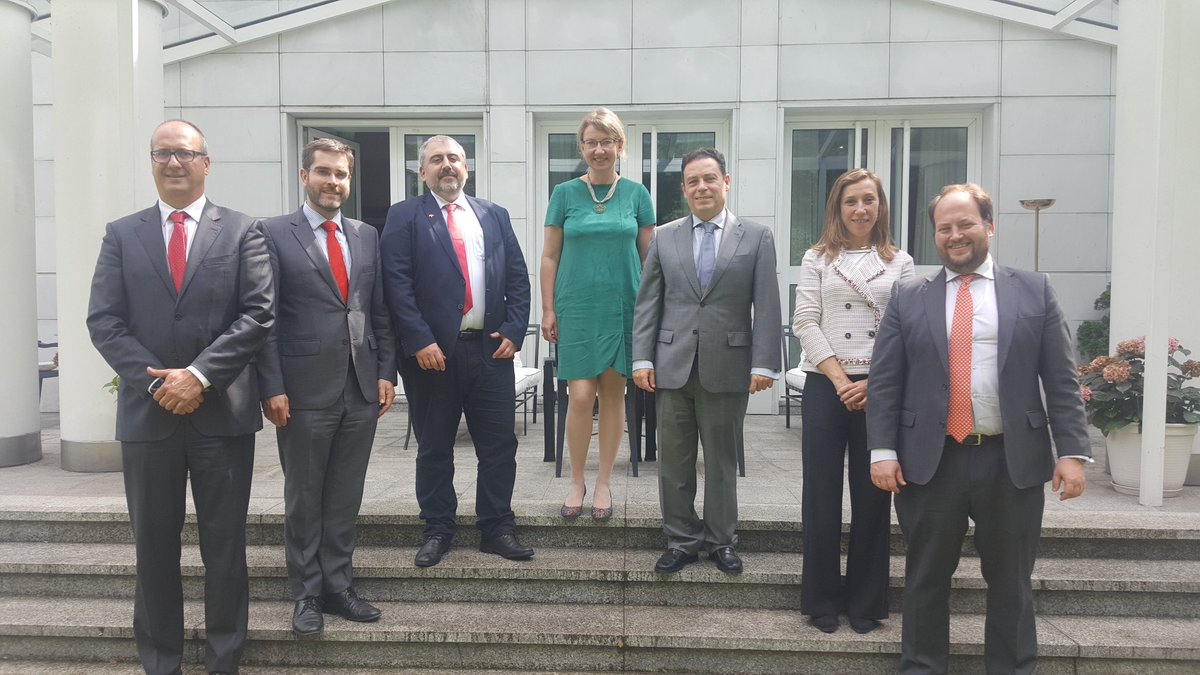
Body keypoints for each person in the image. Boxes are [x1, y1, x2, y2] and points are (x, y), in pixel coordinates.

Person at [867, 183, 1090, 674]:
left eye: (965, 223)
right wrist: (881, 449)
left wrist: (1072, 452)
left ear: (989, 226)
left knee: (1011, 582)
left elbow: (1060, 378)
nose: (955, 235)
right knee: (925, 579)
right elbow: (885, 381)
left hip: (1010, 461)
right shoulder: (908, 296)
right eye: (944, 228)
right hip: (931, 461)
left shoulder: (1033, 290)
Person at [87, 119, 274, 675]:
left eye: (185, 153)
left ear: (206, 163)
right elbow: (104, 321)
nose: (174, 162)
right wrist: (157, 383)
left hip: (222, 417)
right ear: (151, 162)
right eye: (163, 153)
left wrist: (198, 375)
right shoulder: (122, 234)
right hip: (149, 418)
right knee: (153, 548)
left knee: (225, 547)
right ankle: (160, 662)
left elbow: (258, 314)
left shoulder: (242, 231)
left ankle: (224, 660)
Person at [257, 138, 396, 636]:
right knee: (304, 495)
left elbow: (378, 310)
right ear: (304, 176)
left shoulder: (366, 234)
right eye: (323, 172)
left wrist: (386, 371)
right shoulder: (273, 233)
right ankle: (307, 594)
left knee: (344, 494)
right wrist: (271, 385)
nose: (332, 182)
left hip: (359, 387)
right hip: (302, 390)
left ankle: (339, 586)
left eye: (341, 174)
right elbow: (265, 318)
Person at [380, 135, 533, 568]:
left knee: (499, 446)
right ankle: (437, 529)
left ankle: (497, 528)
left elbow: (517, 277)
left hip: (490, 352)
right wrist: (419, 339)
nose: (446, 165)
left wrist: (514, 330)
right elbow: (395, 283)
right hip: (432, 358)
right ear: (422, 171)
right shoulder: (404, 216)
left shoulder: (493, 214)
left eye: (454, 158)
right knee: (434, 448)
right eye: (436, 159)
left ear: (466, 167)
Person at [632, 148, 781, 575]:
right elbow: (648, 303)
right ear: (683, 189)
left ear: (725, 182)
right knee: (673, 462)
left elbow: (767, 304)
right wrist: (641, 358)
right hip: (671, 365)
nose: (702, 187)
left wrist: (764, 364)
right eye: (693, 181)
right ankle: (681, 540)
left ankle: (720, 541)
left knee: (721, 461)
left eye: (710, 179)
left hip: (728, 365)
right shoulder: (664, 237)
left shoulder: (756, 237)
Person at [793, 168, 914, 634]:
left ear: (880, 206)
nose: (860, 209)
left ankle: (867, 601)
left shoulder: (901, 262)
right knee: (820, 496)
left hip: (880, 387)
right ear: (837, 208)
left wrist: (874, 381)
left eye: (869, 200)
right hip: (827, 383)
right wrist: (842, 379)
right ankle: (820, 598)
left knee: (873, 496)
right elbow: (805, 320)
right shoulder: (817, 258)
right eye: (851, 201)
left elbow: (905, 329)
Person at [541, 108, 655, 521]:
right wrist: (548, 308)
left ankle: (604, 482)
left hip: (623, 306)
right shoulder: (563, 194)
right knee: (579, 396)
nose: (599, 149)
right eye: (591, 142)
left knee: (613, 395)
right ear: (582, 147)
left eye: (607, 141)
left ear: (619, 146)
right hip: (576, 308)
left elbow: (650, 259)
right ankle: (577, 480)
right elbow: (549, 256)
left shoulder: (638, 195)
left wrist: (652, 314)